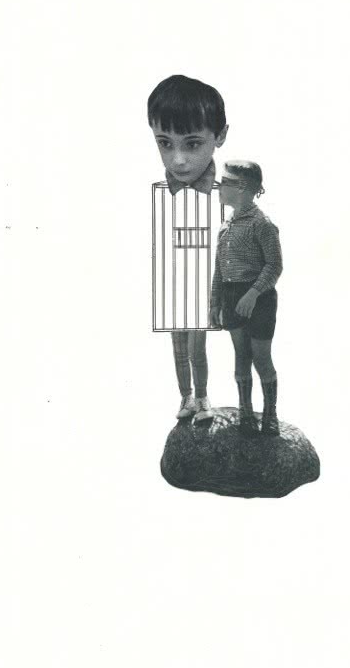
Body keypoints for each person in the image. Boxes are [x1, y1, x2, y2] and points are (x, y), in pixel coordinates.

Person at [148, 75, 228, 421]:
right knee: (178, 348)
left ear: (220, 136)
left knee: (198, 349)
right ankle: (186, 398)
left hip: (206, 289)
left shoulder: (224, 196)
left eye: (192, 144)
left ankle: (204, 397)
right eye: (165, 143)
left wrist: (220, 296)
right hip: (174, 287)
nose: (178, 160)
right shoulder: (161, 195)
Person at [210, 161, 283, 436]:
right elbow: (219, 269)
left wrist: (253, 293)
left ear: (241, 188)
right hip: (231, 295)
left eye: (224, 182)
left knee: (261, 358)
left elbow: (274, 265)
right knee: (241, 355)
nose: (219, 187)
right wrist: (214, 303)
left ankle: (270, 415)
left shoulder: (261, 224)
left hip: (259, 298)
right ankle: (246, 412)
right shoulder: (225, 226)